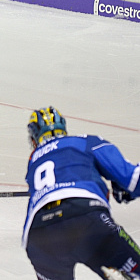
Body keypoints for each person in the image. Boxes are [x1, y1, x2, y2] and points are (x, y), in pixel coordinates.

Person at [23, 106, 140, 280]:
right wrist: (123, 189)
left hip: (38, 236)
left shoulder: (34, 160)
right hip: (84, 218)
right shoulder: (86, 142)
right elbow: (133, 180)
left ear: (34, 138)